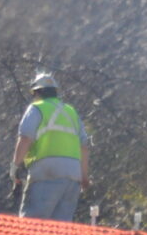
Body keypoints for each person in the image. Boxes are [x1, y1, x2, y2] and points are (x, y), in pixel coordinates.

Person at [12, 72, 89, 222]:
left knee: (33, 224)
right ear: (55, 92)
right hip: (73, 175)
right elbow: (84, 147)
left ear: (36, 92)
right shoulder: (71, 112)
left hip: (46, 172)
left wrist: (14, 166)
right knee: (60, 229)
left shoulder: (36, 108)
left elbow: (26, 138)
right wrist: (84, 176)